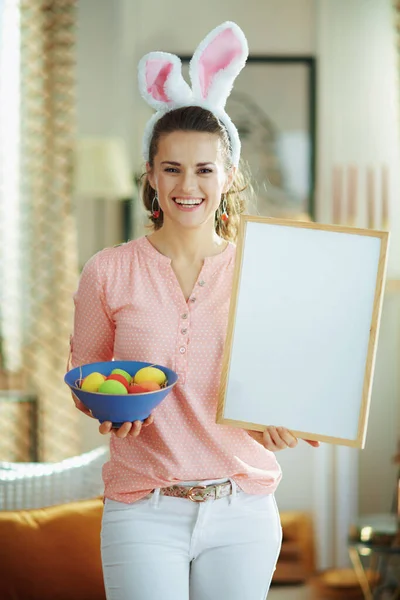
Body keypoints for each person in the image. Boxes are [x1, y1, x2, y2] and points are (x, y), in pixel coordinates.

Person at [69, 22, 319, 600]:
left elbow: (280, 376)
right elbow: (85, 374)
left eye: (205, 169)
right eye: (173, 168)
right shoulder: (107, 270)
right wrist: (104, 407)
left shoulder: (262, 270)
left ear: (228, 177)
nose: (189, 184)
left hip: (244, 510)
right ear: (151, 177)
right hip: (142, 509)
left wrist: (278, 418)